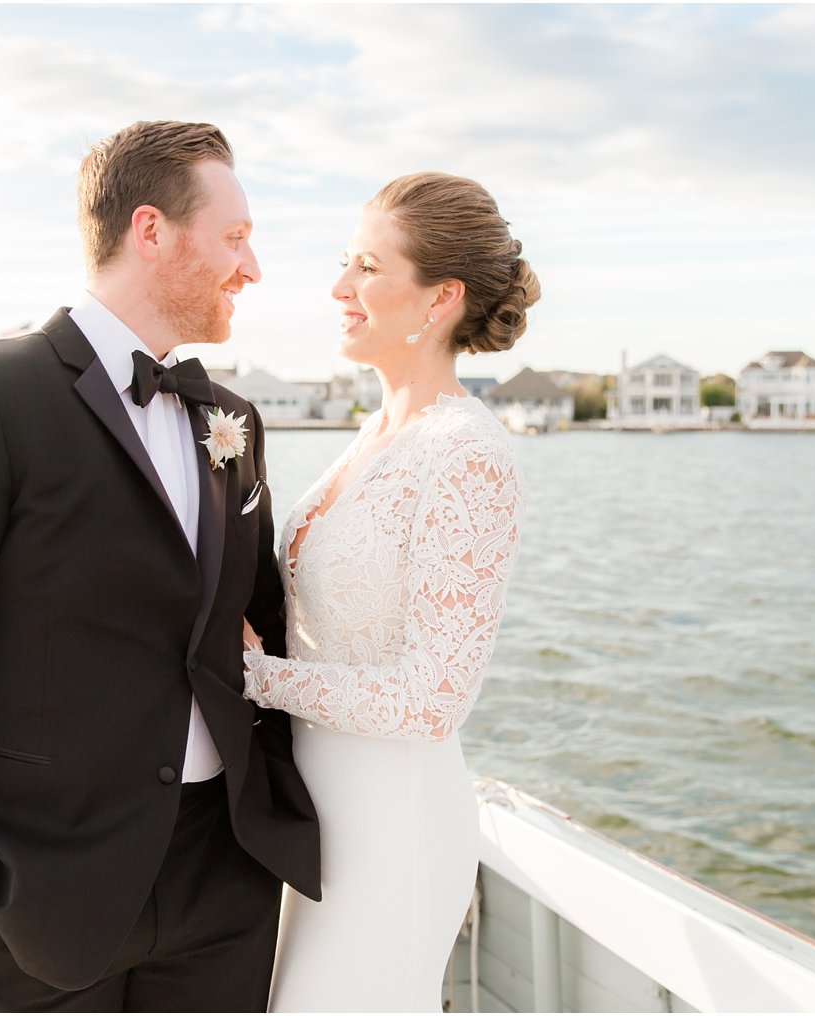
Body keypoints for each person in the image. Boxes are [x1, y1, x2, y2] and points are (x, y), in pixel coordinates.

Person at [0, 120, 320, 1012]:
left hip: (223, 880)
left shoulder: (234, 420)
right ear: (151, 231)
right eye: (235, 237)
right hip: (33, 888)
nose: (251, 268)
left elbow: (259, 627)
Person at [241, 172, 537, 1012]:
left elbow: (434, 698)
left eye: (368, 267)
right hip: (315, 822)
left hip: (391, 827)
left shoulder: (467, 454)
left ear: (440, 297)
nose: (340, 287)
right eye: (346, 262)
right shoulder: (373, 433)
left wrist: (256, 677)